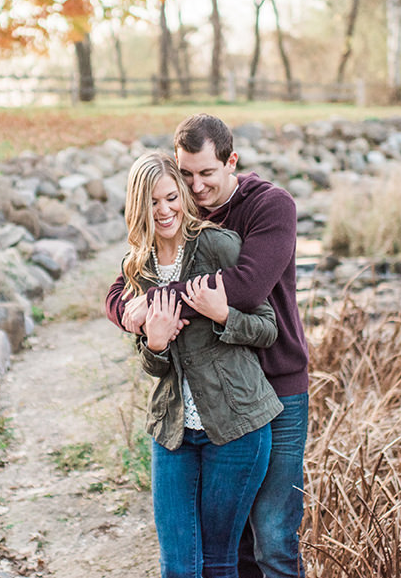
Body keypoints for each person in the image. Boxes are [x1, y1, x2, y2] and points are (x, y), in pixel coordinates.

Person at [105, 114, 309, 578]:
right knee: (231, 546)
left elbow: (246, 287)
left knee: (274, 537)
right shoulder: (182, 215)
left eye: (206, 174)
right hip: (209, 392)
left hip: (277, 381)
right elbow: (122, 290)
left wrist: (152, 304)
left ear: (231, 161)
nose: (195, 188)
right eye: (186, 175)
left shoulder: (270, 206)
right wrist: (135, 318)